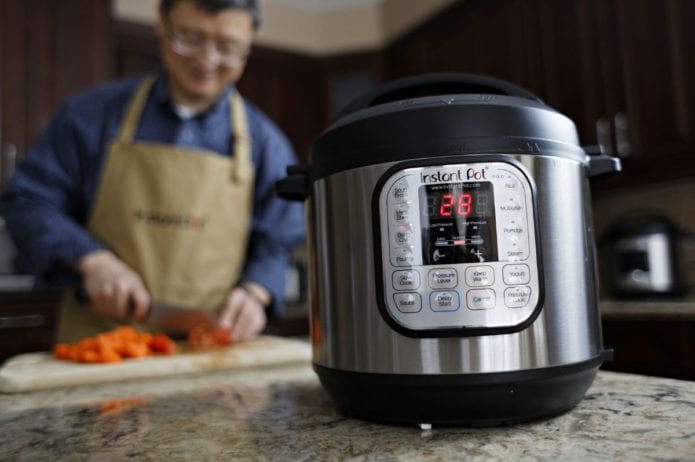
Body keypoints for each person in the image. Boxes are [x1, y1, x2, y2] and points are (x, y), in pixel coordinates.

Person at [0, 0, 305, 343]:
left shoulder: (267, 144)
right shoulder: (88, 116)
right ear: (162, 24)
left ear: (248, 43)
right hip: (99, 346)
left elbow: (278, 241)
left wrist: (255, 292)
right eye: (190, 38)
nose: (207, 60)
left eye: (228, 47)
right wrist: (92, 260)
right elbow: (28, 200)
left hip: (213, 348)